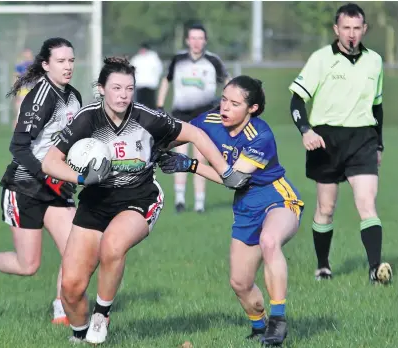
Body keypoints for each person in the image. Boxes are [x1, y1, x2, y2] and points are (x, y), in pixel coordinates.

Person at [41, 56, 249, 345]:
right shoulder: (87, 119)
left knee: (113, 245)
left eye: (129, 88)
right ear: (101, 88)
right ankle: (79, 335)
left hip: (139, 199)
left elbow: (196, 134)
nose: (123, 95)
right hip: (95, 203)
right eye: (116, 88)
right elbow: (50, 162)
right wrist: (81, 178)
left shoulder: (146, 117)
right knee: (71, 287)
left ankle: (102, 314)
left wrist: (225, 172)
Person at [157, 75, 304, 346]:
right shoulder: (210, 121)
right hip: (245, 206)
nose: (225, 107)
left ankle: (278, 321)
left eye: (235, 104)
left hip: (277, 196)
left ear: (252, 109)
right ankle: (260, 330)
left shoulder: (261, 135)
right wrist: (152, 141)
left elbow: (234, 178)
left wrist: (190, 165)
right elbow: (174, 139)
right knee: (240, 283)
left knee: (270, 241)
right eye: (224, 99)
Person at [288, 3, 392, 284]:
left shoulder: (375, 61)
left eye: (357, 28)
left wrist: (379, 145)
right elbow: (297, 100)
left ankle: (374, 269)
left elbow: (378, 106)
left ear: (365, 29)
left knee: (366, 203)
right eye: (346, 28)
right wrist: (305, 130)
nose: (352, 34)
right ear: (336, 29)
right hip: (326, 140)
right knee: (326, 208)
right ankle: (323, 265)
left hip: (363, 139)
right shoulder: (320, 59)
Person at [0, 37, 82, 325]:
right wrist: (47, 174)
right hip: (25, 187)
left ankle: (61, 308)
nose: (68, 66)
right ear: (46, 65)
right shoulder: (40, 98)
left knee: (76, 246)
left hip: (55, 188)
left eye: (70, 60)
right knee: (28, 265)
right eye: (60, 61)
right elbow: (18, 148)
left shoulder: (74, 97)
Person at [156, 23, 230, 213]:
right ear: (188, 40)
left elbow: (229, 83)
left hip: (206, 118)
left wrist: (229, 104)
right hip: (180, 116)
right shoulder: (179, 60)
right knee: (180, 155)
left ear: (205, 41)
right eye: (193, 38)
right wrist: (160, 105)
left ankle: (199, 203)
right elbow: (166, 80)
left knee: (200, 160)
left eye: (200, 38)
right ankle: (180, 199)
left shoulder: (213, 61)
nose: (197, 42)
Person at [130, 42, 163, 109]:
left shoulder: (153, 58)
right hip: (140, 85)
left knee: (150, 104)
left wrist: (155, 80)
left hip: (150, 85)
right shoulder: (136, 59)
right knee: (140, 104)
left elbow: (159, 69)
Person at [13, 48, 35, 127]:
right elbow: (16, 77)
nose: (27, 55)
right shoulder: (20, 65)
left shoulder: (35, 65)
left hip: (33, 90)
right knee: (20, 111)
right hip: (23, 90)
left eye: (28, 53)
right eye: (26, 53)